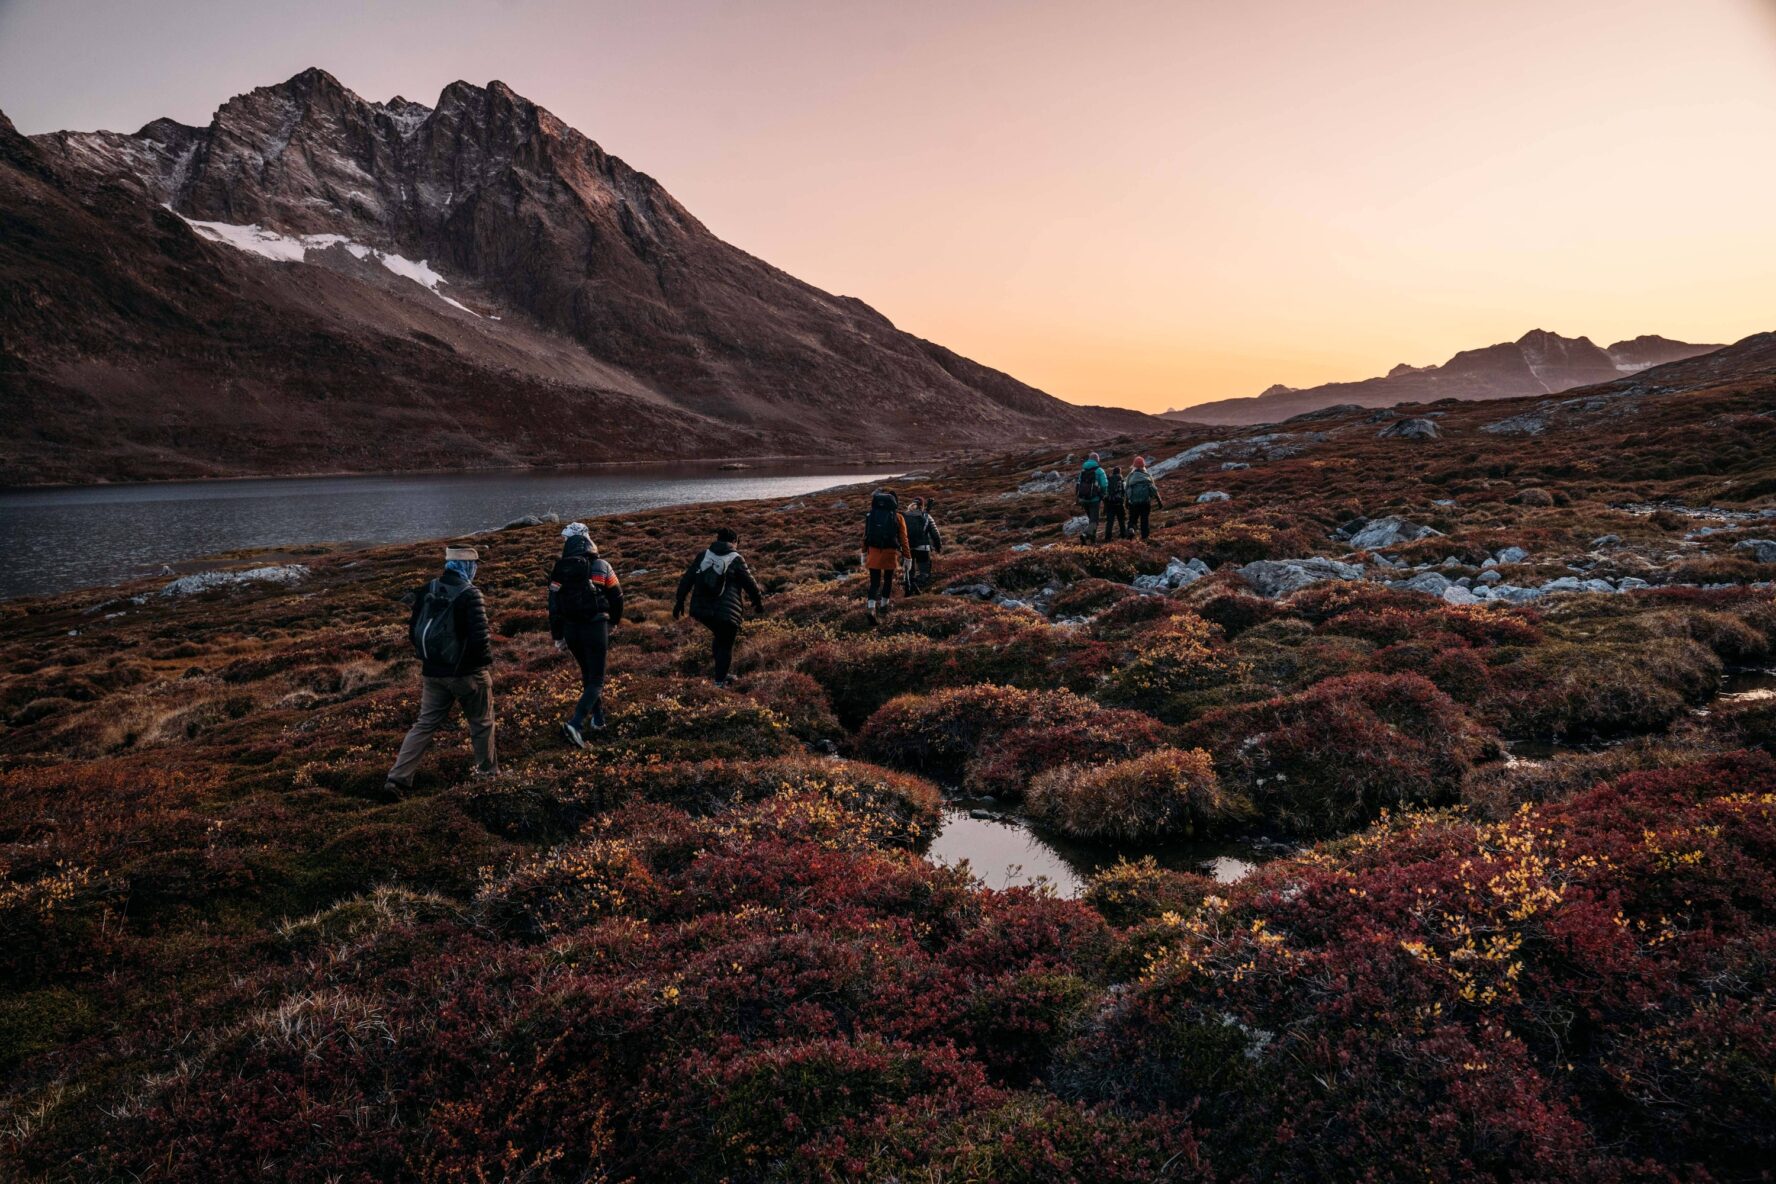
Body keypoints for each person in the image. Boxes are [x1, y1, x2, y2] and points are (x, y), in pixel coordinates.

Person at [385, 544, 497, 795]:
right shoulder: (470, 594)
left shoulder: (428, 589)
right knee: (482, 722)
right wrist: (481, 666)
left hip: (432, 673)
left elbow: (413, 632)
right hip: (467, 673)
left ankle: (398, 777)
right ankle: (487, 775)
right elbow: (480, 640)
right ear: (468, 566)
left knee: (424, 724)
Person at [548, 522, 623, 748]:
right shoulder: (601, 566)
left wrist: (558, 636)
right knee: (597, 679)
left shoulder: (559, 570)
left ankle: (598, 719)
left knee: (588, 674)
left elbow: (553, 606)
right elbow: (617, 597)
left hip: (572, 630)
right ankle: (576, 723)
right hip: (595, 626)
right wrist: (614, 622)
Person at [674, 526, 764, 687]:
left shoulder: (704, 555)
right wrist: (758, 603)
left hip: (701, 610)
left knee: (719, 637)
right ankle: (719, 682)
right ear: (734, 541)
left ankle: (719, 674)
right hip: (726, 613)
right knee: (725, 644)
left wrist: (679, 602)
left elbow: (687, 579)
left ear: (717, 539)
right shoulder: (736, 558)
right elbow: (750, 584)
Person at [861, 488, 911, 621]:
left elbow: (866, 535)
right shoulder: (898, 517)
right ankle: (883, 608)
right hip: (890, 553)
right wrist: (908, 557)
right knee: (888, 580)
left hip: (873, 552)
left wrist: (863, 552)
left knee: (874, 582)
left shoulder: (870, 515)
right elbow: (904, 539)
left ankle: (871, 608)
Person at [902, 496, 943, 593]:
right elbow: (935, 533)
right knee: (924, 573)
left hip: (907, 548)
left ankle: (910, 591)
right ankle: (921, 591)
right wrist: (938, 546)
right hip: (923, 548)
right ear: (922, 506)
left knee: (909, 572)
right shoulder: (926, 516)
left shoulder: (903, 516)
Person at [1125, 455, 1164, 541]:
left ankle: (1131, 529)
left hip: (1133, 503)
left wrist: (1126, 502)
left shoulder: (1130, 476)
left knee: (1132, 519)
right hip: (1145, 502)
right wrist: (1159, 501)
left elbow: (1126, 489)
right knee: (1144, 520)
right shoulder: (1147, 476)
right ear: (1143, 466)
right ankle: (1145, 537)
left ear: (1134, 466)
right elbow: (1154, 490)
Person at [1075, 453, 1109, 543]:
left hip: (1083, 499)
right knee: (1094, 521)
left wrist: (1078, 498)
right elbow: (1104, 485)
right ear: (1097, 460)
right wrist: (1103, 494)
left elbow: (1078, 484)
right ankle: (1085, 535)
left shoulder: (1083, 470)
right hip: (1094, 499)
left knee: (1091, 520)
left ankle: (1093, 540)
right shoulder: (1099, 470)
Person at [1104, 465, 1129, 541]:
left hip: (1110, 503)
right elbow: (1124, 491)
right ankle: (1123, 534)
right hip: (1119, 503)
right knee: (1121, 519)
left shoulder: (1109, 480)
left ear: (1113, 472)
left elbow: (1106, 492)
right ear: (1119, 472)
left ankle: (1108, 537)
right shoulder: (1121, 480)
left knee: (1110, 521)